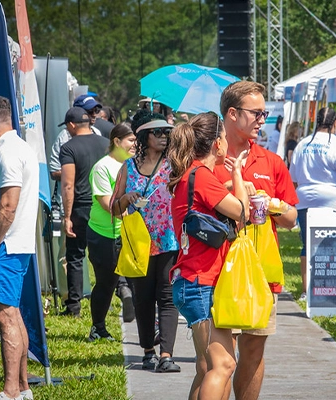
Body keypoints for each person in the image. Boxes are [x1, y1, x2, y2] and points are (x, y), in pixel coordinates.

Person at [215, 81, 298, 400]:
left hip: (262, 272)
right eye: (257, 113)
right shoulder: (208, 158)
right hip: (217, 269)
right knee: (219, 358)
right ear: (232, 114)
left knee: (253, 349)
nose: (263, 119)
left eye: (265, 112)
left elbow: (291, 220)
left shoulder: (271, 162)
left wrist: (270, 202)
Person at [167, 111, 249, 399]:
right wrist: (238, 173)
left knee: (206, 367)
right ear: (217, 143)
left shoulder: (193, 174)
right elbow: (242, 211)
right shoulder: (201, 175)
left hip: (192, 280)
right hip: (200, 282)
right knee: (223, 365)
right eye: (225, 136)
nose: (227, 142)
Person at [0, 95, 39, 400]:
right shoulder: (20, 148)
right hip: (16, 244)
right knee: (12, 314)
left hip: (4, 246)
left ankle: (11, 391)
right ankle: (23, 388)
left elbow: (8, 204)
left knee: (4, 317)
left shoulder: (7, 153)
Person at [111, 110, 180, 372]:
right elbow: (114, 209)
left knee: (167, 297)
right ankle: (148, 351)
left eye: (167, 132)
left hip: (169, 240)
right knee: (143, 298)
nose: (164, 137)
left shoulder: (174, 163)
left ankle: (167, 355)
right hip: (139, 243)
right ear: (143, 136)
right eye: (158, 132)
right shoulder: (127, 167)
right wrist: (126, 199)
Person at [289, 107, 336, 302]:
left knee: (308, 244)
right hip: (335, 202)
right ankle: (335, 287)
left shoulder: (302, 144)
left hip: (305, 201)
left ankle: (307, 290)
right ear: (335, 124)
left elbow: (294, 179)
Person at [86, 122, 137, 340]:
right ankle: (98, 327)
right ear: (116, 141)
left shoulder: (133, 166)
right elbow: (109, 205)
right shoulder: (102, 167)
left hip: (129, 233)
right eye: (131, 140)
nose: (135, 144)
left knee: (136, 281)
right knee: (106, 283)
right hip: (104, 234)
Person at [59, 107, 109, 317]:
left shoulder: (68, 148)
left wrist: (67, 216)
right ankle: (121, 290)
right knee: (106, 256)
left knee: (76, 256)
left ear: (71, 125)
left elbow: (68, 185)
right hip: (104, 205)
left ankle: (74, 307)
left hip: (80, 206)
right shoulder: (106, 144)